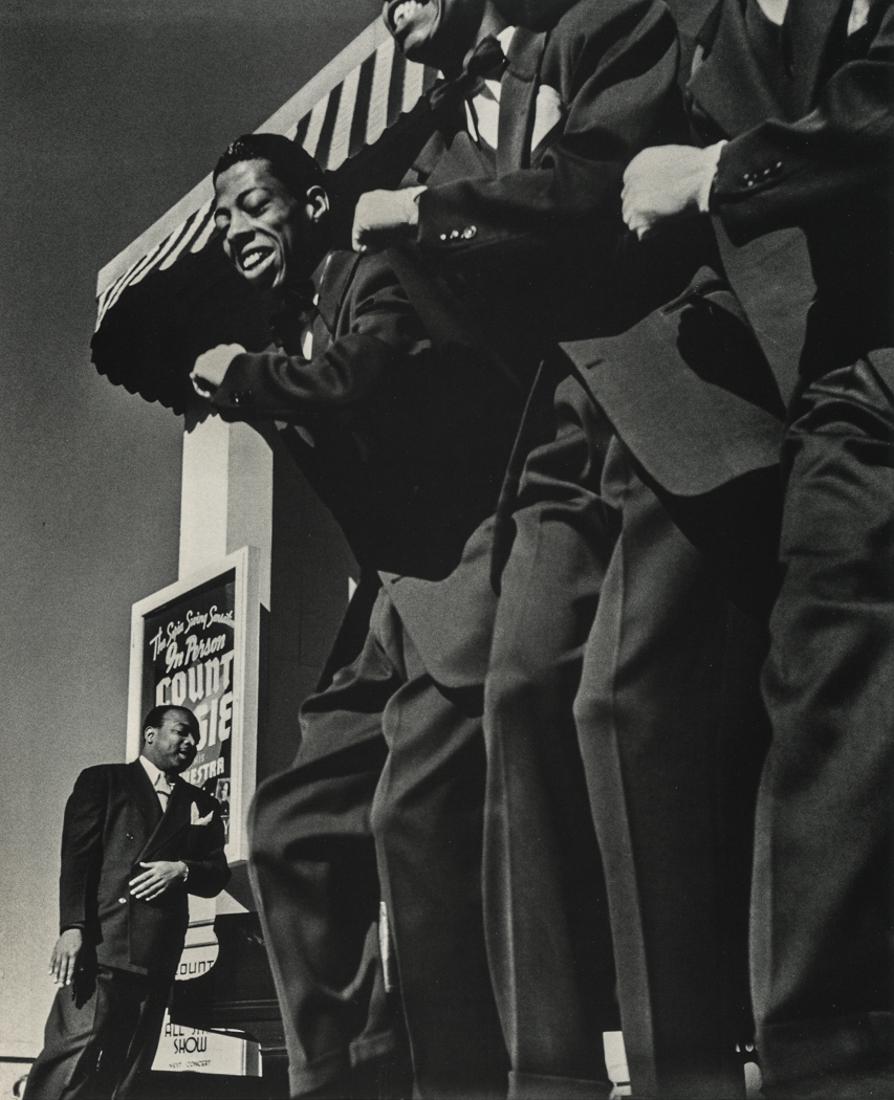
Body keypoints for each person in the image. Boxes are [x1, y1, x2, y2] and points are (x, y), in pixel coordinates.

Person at [355, 0, 785, 1096]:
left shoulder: (607, 17)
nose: (398, 9)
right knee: (519, 694)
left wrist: (422, 213)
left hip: (656, 374)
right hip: (547, 426)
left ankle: (683, 1066)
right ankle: (545, 1077)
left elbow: (601, 179)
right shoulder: (448, 129)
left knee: (621, 703)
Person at [191, 133, 533, 1099]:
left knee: (413, 819)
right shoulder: (295, 327)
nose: (236, 231)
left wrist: (246, 375)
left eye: (254, 207)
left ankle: (452, 1076)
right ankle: (338, 1081)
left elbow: (360, 380)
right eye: (222, 218)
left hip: (462, 585)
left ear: (306, 202)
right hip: (387, 612)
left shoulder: (377, 274)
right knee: (283, 827)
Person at [621, 2, 894, 1096]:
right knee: (825, 681)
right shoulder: (720, 35)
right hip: (849, 389)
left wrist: (723, 169)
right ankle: (832, 1061)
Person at [24, 705, 229, 1100]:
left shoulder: (200, 802)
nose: (190, 743)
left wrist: (182, 869)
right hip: (103, 945)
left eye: (196, 739)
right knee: (72, 1055)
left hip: (158, 953)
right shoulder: (104, 781)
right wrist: (72, 928)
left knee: (129, 1068)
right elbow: (78, 859)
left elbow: (217, 873)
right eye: (181, 732)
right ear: (150, 734)